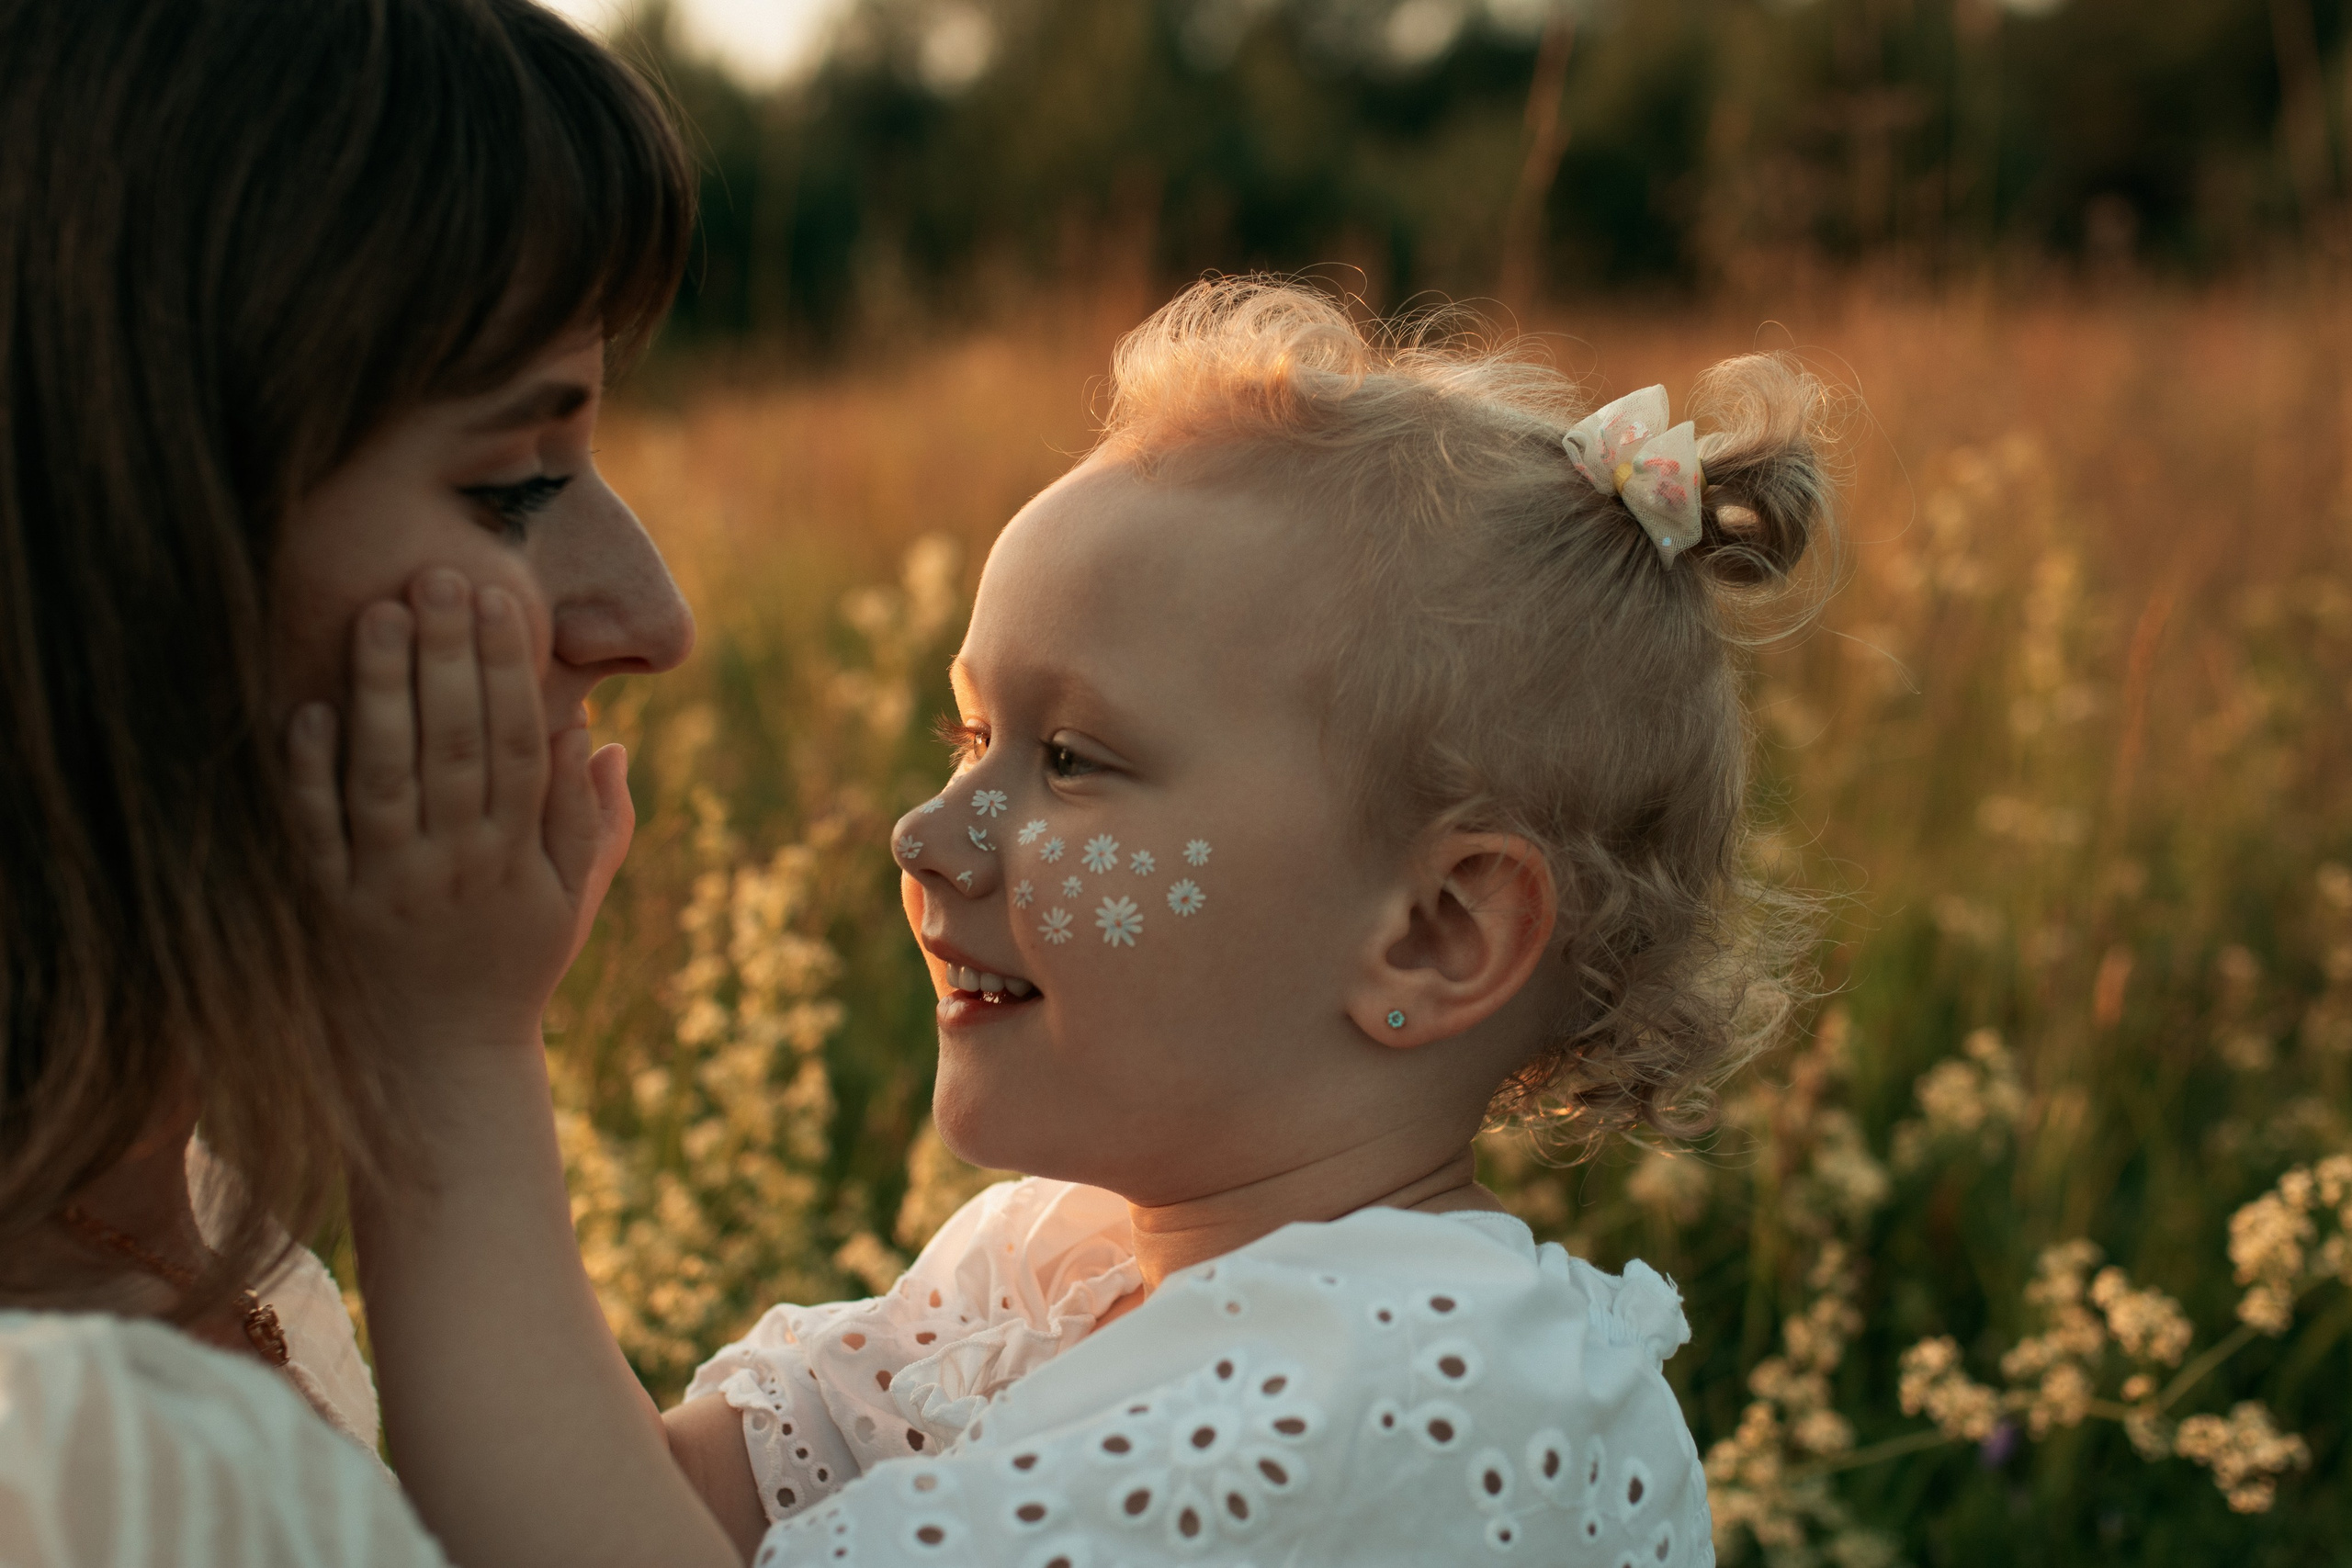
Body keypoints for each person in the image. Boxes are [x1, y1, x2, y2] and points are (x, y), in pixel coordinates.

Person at [324, 277, 1836, 1566]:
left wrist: (446, 1061)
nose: (928, 838)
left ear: (1438, 933)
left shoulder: (1404, 1390)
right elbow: (642, 1511)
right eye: (968, 737)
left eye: (1069, 760)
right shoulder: (1059, 1262)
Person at [0, 1, 729, 1562]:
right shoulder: (77, 1463)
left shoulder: (212, 1235)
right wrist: (447, 1079)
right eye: (511, 487)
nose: (652, 620)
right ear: (112, 556)